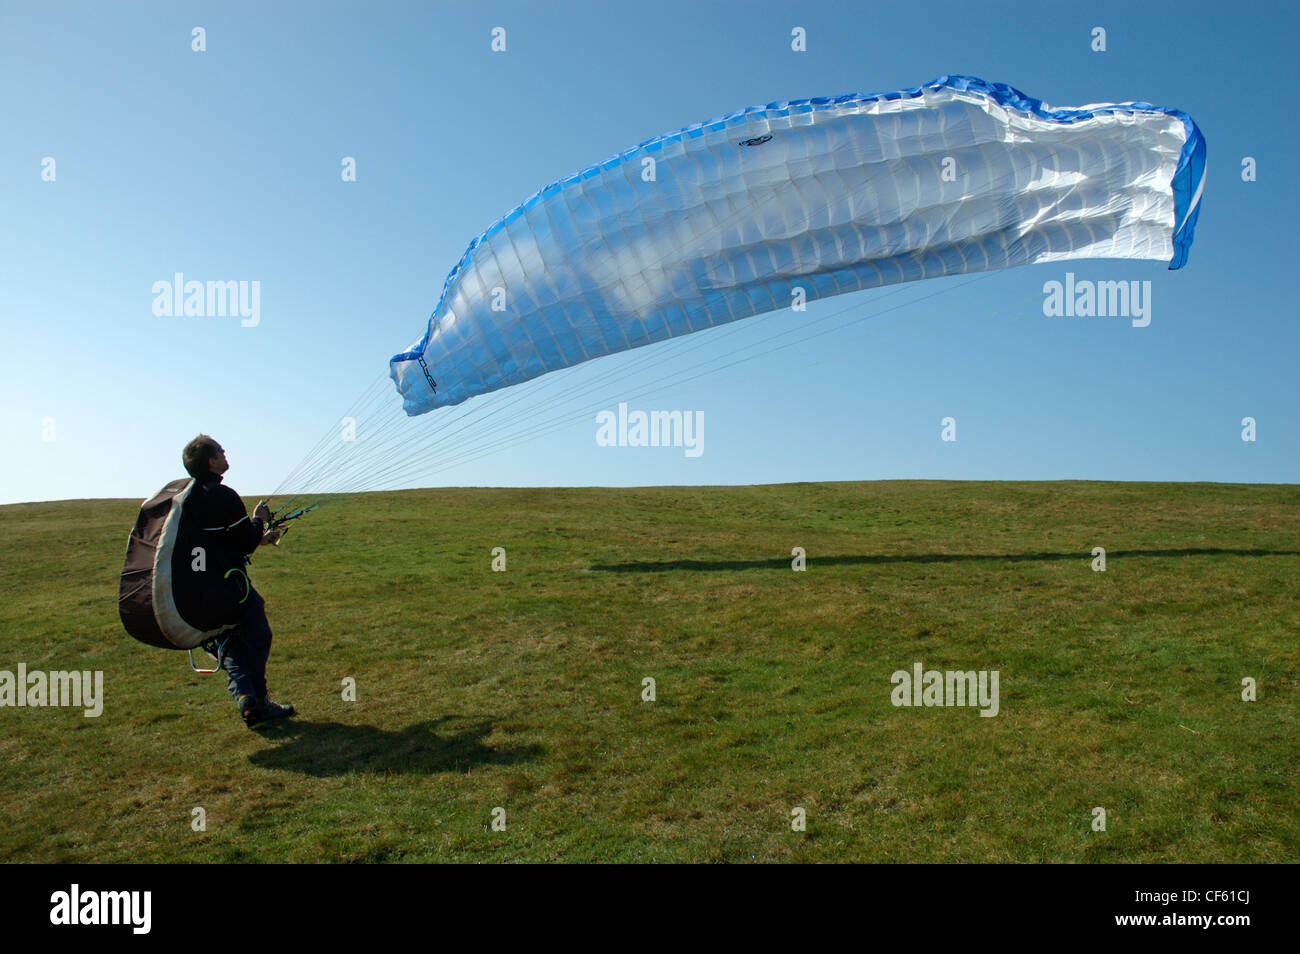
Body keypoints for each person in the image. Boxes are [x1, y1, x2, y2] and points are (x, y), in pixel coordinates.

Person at [180, 434, 295, 728]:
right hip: (229, 588)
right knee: (258, 636)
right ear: (211, 460)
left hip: (195, 589)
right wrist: (258, 519)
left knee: (228, 642)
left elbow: (218, 540)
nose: (224, 453)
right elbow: (243, 540)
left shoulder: (186, 497)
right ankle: (259, 700)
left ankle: (246, 698)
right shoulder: (223, 495)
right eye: (220, 450)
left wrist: (262, 539)